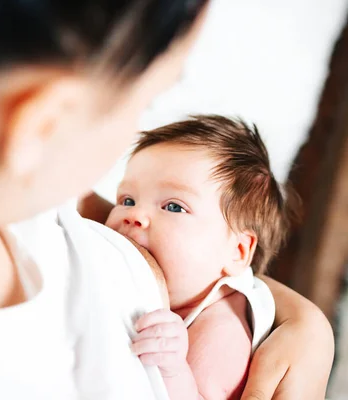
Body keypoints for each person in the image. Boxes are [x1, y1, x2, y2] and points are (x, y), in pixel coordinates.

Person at [0, 1, 333, 399]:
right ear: (44, 124)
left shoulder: (25, 195)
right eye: (147, 99)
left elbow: (209, 257)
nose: (132, 217)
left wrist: (305, 322)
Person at [103, 115, 291, 399]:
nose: (134, 216)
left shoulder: (222, 328)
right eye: (127, 200)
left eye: (174, 207)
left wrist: (172, 370)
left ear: (237, 252)